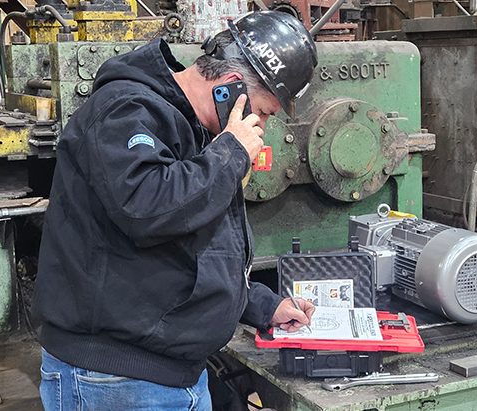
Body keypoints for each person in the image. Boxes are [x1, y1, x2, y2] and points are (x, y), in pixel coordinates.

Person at [34, 11, 320, 411]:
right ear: (230, 87)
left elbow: (189, 248)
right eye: (266, 111)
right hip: (114, 380)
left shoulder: (197, 133)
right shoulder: (125, 110)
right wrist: (230, 154)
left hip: (168, 375)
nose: (263, 127)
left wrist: (261, 305)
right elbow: (146, 207)